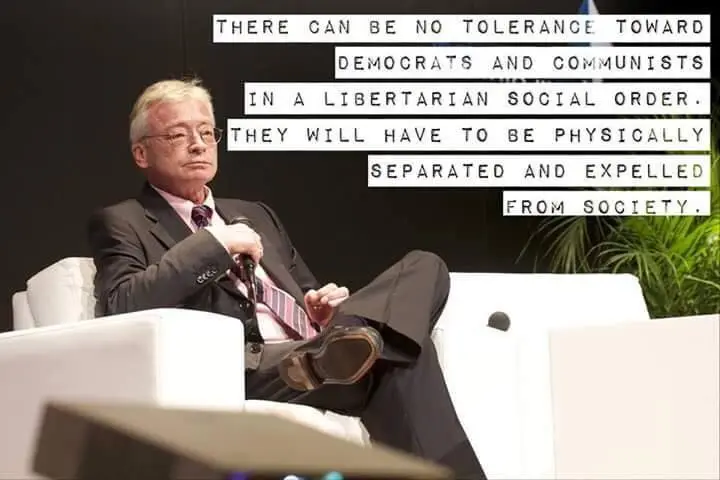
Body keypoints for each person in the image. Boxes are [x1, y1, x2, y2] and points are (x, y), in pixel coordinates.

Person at [87, 78, 486, 480]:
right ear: (141, 153)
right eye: (178, 134)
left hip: (309, 352)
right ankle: (344, 346)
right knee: (407, 352)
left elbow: (305, 289)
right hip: (247, 363)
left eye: (207, 132)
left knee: (425, 264)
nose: (198, 144)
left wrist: (323, 309)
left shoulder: (257, 214)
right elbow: (123, 303)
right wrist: (215, 244)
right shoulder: (123, 221)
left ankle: (347, 337)